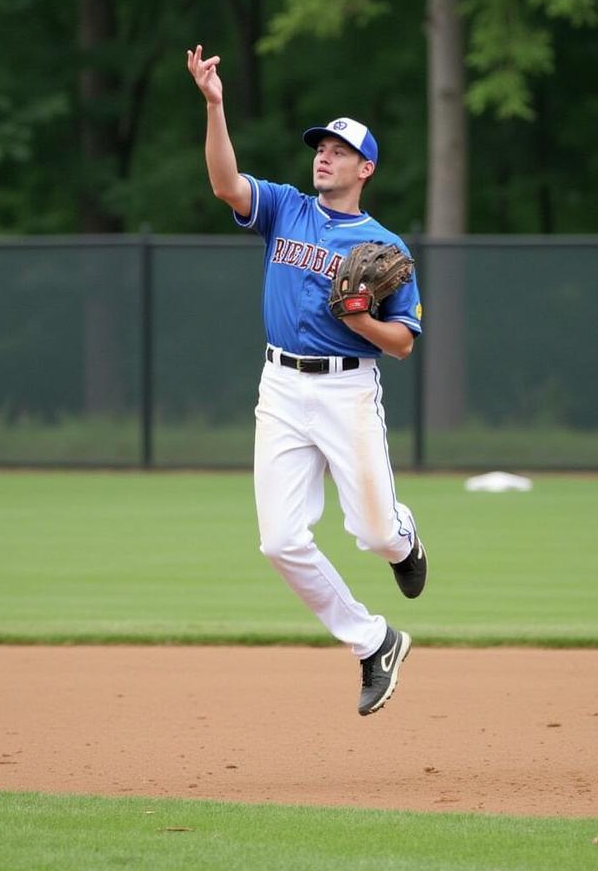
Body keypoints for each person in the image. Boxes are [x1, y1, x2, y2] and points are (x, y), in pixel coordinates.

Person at [186, 44, 427, 716]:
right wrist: (215, 105)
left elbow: (403, 343)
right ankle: (373, 641)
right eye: (320, 146)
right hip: (281, 391)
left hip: (348, 390)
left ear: (365, 168)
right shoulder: (286, 209)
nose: (324, 154)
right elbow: (225, 184)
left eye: (339, 150)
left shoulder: (386, 246)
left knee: (375, 535)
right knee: (280, 540)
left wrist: (360, 320)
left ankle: (405, 538)